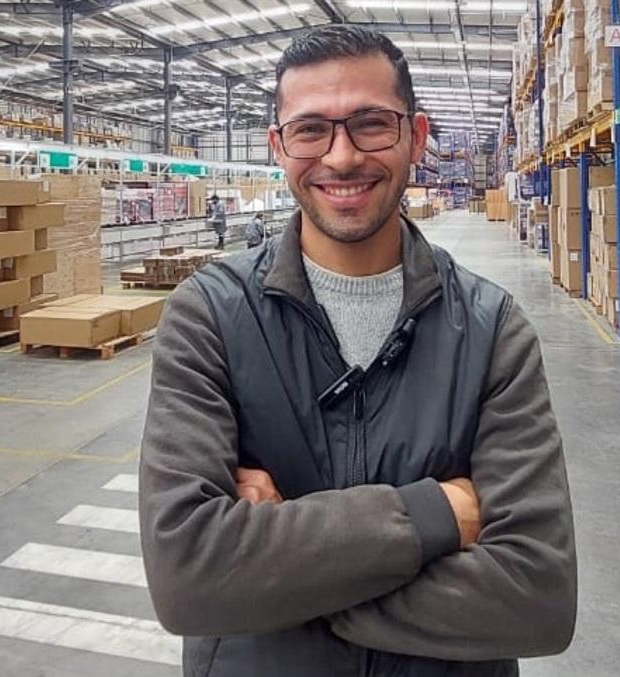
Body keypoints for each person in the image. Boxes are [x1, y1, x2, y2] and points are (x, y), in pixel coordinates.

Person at [140, 24, 576, 677]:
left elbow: (537, 595)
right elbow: (187, 577)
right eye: (311, 129)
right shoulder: (210, 318)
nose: (341, 157)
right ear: (278, 146)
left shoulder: (491, 330)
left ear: (417, 137)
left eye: (371, 123)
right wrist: (436, 514)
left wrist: (283, 578)